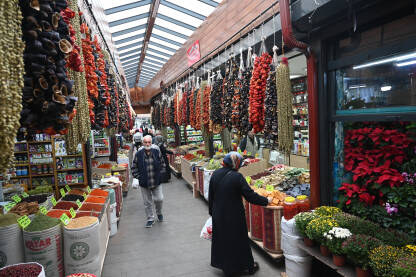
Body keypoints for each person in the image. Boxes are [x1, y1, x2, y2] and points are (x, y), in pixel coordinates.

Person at [208, 152, 272, 276]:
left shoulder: (215, 174)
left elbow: (211, 196)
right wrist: (266, 201)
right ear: (236, 163)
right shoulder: (237, 177)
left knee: (223, 240)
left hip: (218, 214)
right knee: (239, 240)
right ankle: (248, 266)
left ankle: (225, 266)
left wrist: (212, 212)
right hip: (234, 216)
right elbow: (250, 196)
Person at [131, 135, 166, 228]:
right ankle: (150, 218)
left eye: (149, 142)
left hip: (156, 181)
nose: (147, 144)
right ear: (143, 143)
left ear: (151, 142)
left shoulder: (156, 152)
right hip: (144, 183)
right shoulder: (138, 154)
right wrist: (139, 177)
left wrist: (161, 175)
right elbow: (134, 167)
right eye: (145, 142)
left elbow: (163, 164)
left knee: (159, 199)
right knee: (147, 203)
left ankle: (159, 212)